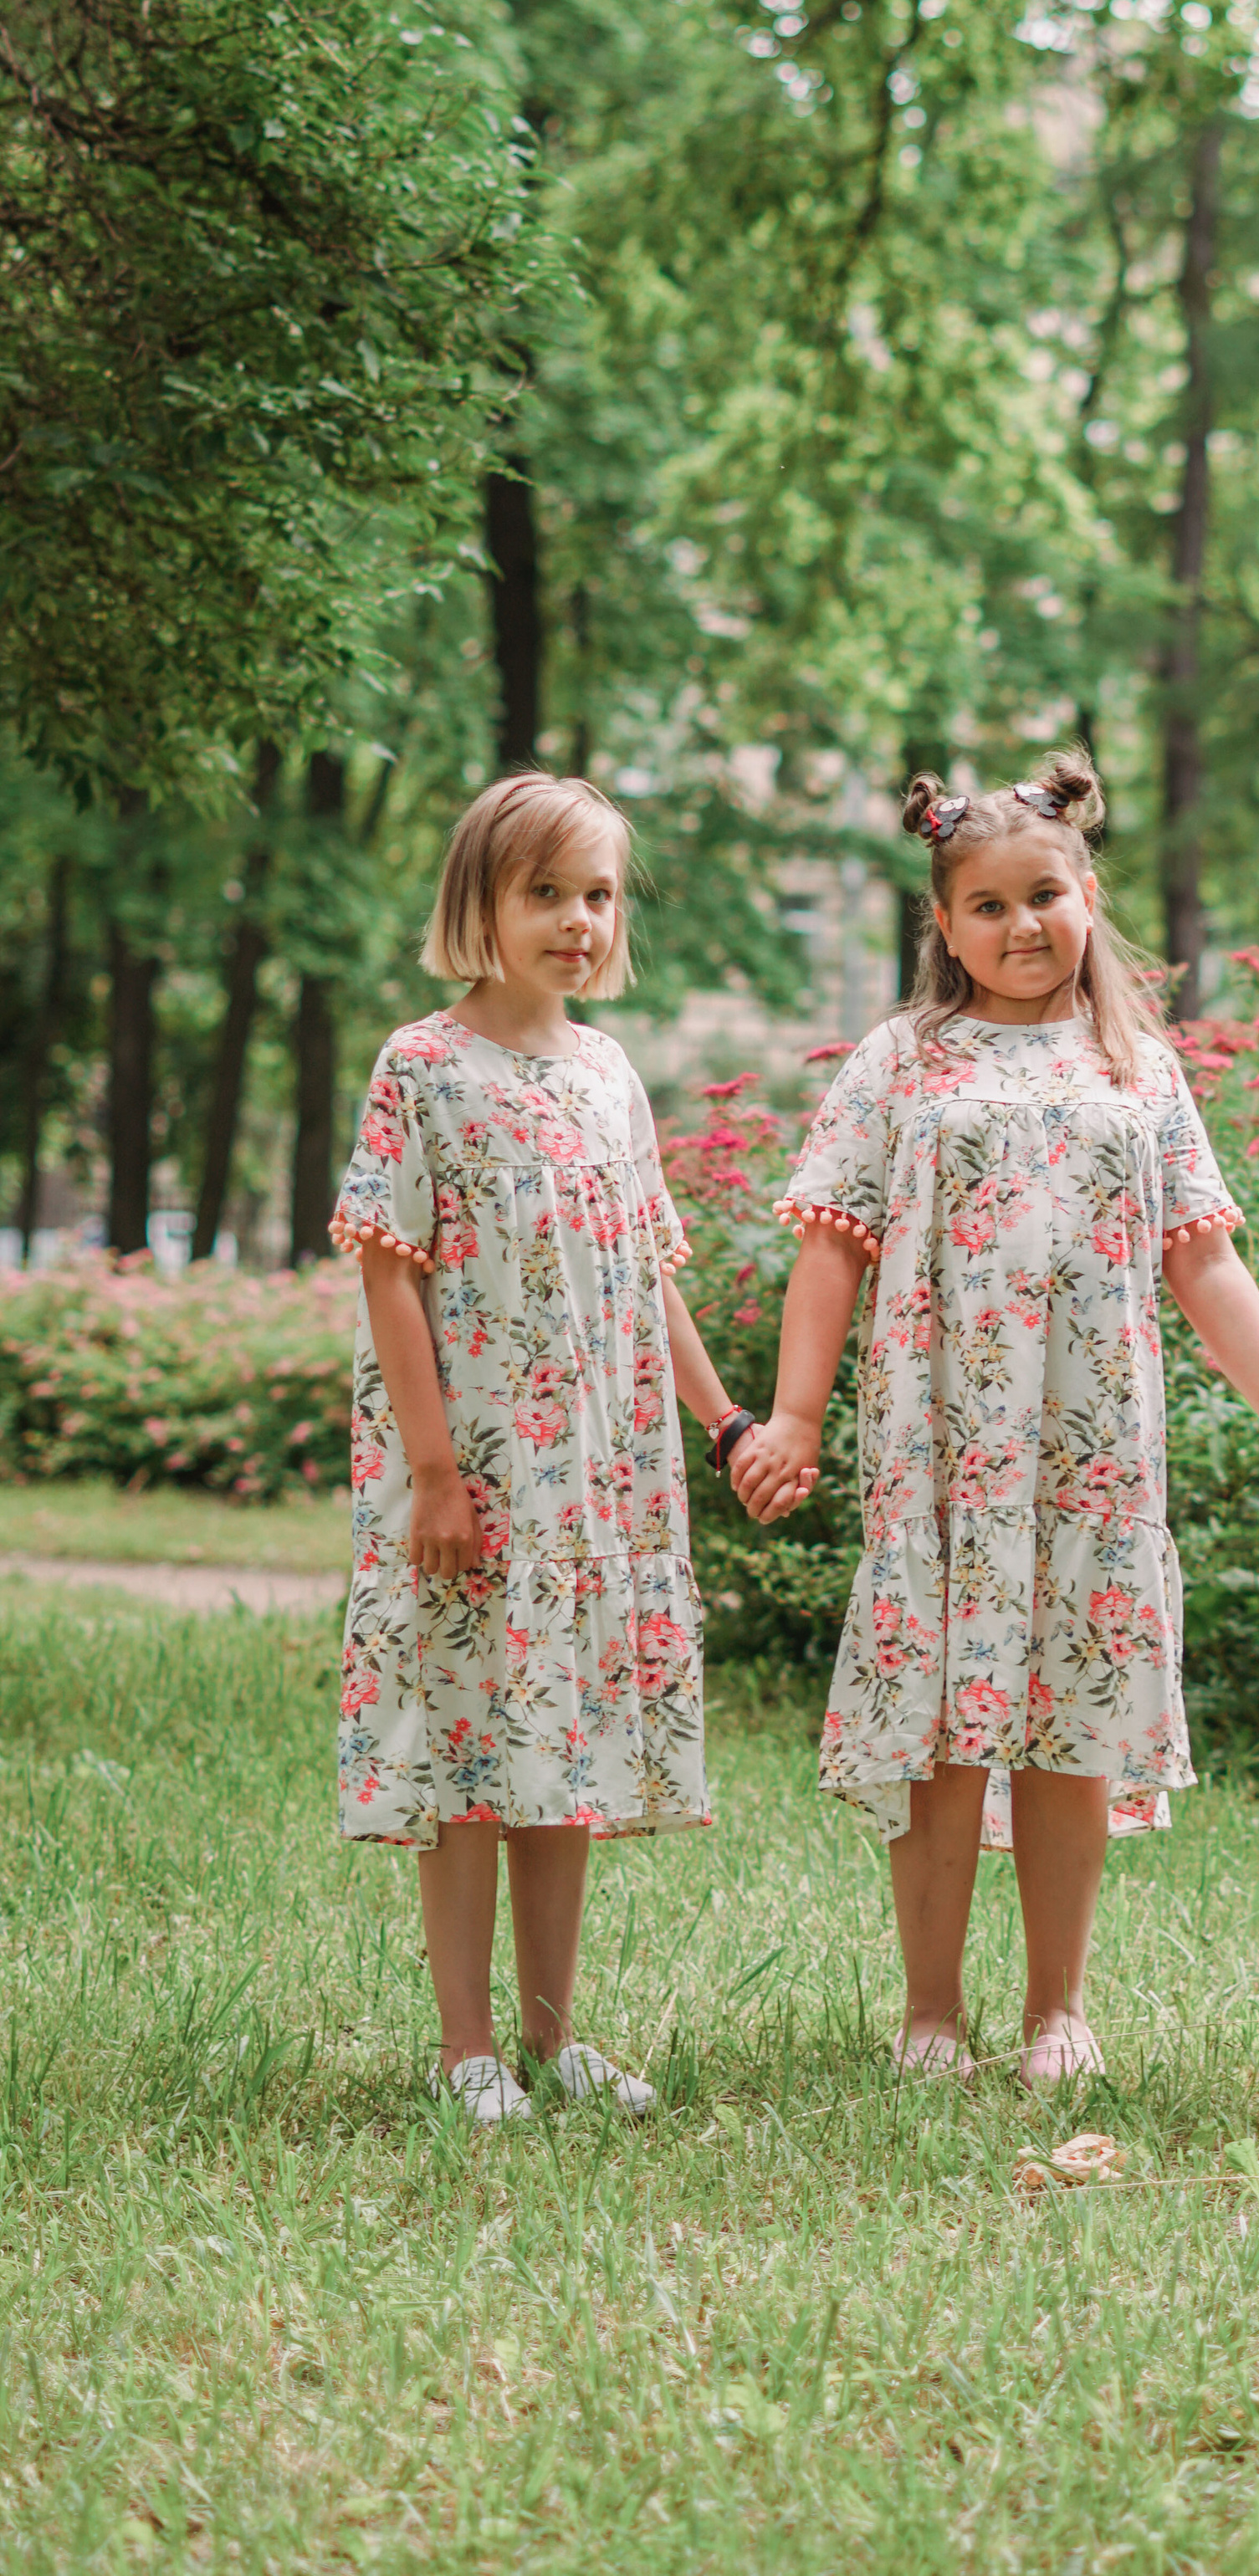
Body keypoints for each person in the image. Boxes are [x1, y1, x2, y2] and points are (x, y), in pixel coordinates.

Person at [734, 757, 1259, 2087]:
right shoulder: (906, 1063)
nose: (1021, 928)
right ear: (944, 927)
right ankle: (932, 2010)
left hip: (1091, 1454)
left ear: (1087, 898)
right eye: (989, 907)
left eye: (1045, 898)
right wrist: (791, 1416)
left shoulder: (1138, 1067)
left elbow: (1202, 1256)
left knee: (1076, 1708)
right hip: (940, 1449)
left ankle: (1058, 2008)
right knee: (948, 1720)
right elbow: (832, 1245)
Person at [331, 772, 759, 2127]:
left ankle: (558, 2037)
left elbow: (649, 1276)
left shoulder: (610, 1074)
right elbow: (389, 1275)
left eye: (598, 894)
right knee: (468, 1753)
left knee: (558, 1754)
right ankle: (469, 2048)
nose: (577, 919)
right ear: (483, 904)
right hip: (471, 1472)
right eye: (546, 893)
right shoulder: (423, 1066)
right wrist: (438, 1473)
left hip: (595, 1474)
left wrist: (727, 1420)